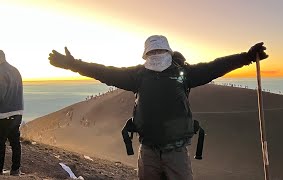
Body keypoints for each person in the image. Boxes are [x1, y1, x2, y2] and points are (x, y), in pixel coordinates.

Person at [48, 35, 268, 180]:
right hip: (154, 151)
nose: (156, 57)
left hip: (168, 151)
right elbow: (104, 71)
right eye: (153, 53)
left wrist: (247, 57)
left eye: (158, 52)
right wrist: (73, 64)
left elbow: (216, 66)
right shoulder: (145, 75)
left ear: (168, 53)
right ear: (147, 55)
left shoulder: (173, 74)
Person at [0, 50, 24, 176]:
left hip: (4, 114)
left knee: (0, 142)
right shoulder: (15, 70)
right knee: (15, 142)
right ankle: (15, 170)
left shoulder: (1, 71)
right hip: (18, 112)